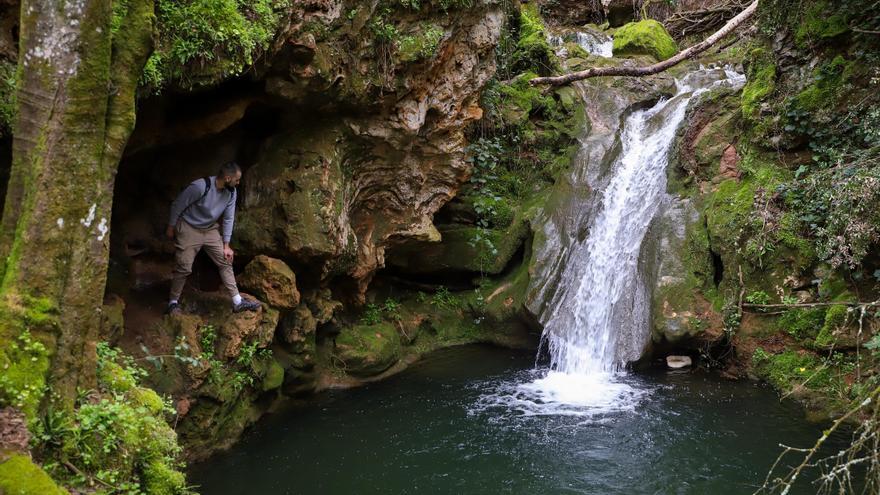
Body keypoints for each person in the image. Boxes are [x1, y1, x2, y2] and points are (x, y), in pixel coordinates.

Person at [165, 161, 260, 315]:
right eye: (237, 180)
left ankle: (237, 302)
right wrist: (171, 226)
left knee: (225, 259)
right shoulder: (200, 187)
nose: (238, 183)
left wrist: (226, 245)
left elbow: (229, 218)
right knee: (184, 266)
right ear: (228, 178)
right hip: (189, 227)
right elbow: (178, 205)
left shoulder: (231, 192)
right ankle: (173, 302)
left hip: (209, 229)